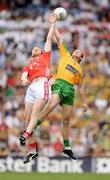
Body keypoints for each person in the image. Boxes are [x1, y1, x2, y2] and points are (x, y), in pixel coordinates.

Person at [20, 24, 88, 160]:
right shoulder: (66, 55)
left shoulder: (80, 70)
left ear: (81, 58)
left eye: (78, 52)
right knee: (51, 105)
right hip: (59, 84)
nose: (75, 52)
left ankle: (67, 147)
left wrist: (84, 102)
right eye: (75, 50)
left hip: (70, 90)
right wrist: (54, 24)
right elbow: (59, 38)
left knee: (67, 120)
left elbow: (80, 87)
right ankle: (32, 127)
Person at [19, 13, 56, 163]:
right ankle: (32, 150)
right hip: (31, 88)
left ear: (41, 52)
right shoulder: (29, 64)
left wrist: (52, 24)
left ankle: (25, 136)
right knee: (28, 120)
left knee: (34, 115)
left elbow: (48, 39)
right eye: (33, 49)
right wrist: (23, 80)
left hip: (42, 85)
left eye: (37, 48)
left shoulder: (45, 57)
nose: (35, 49)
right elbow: (24, 75)